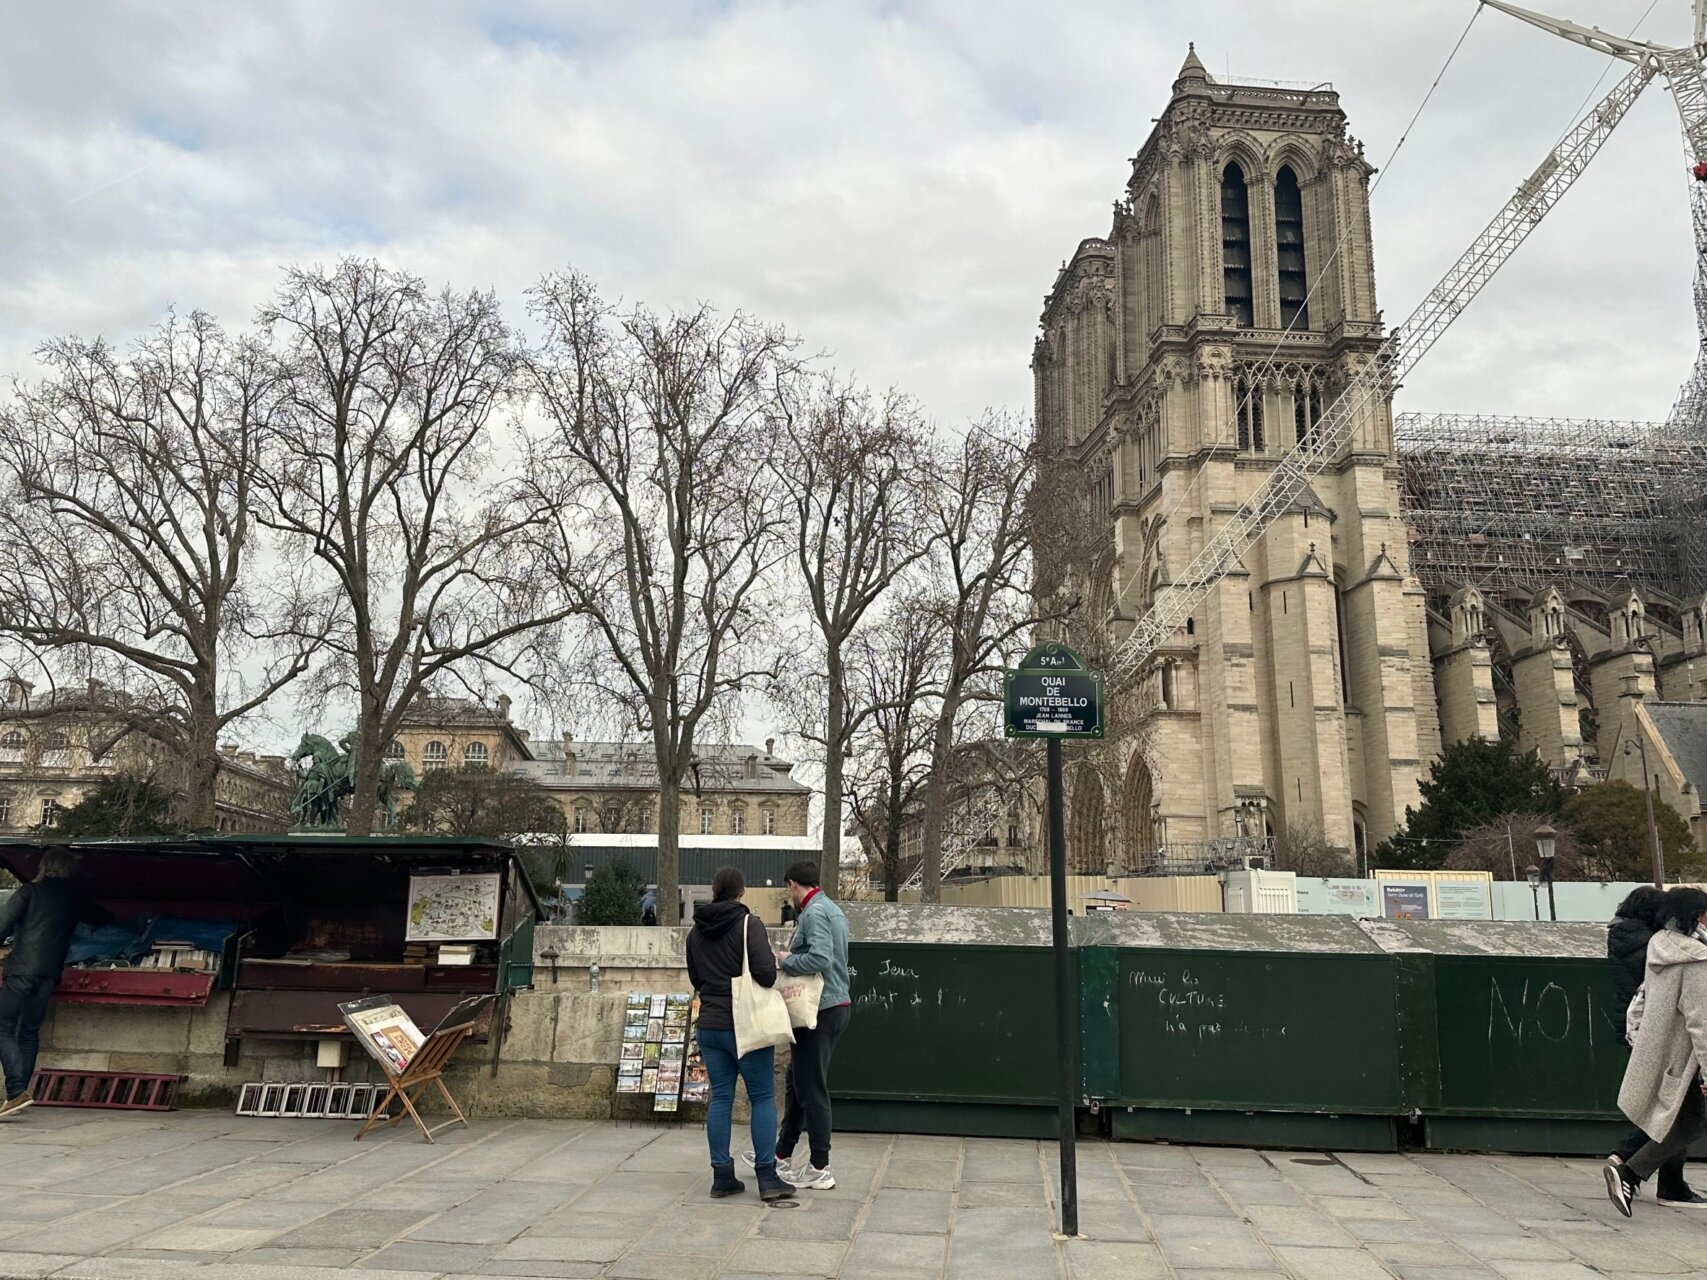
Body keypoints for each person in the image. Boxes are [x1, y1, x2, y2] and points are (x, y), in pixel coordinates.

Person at [684, 867, 792, 1202]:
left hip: (710, 1025)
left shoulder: (696, 932)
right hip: (745, 1023)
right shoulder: (749, 925)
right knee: (761, 1097)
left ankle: (722, 1176)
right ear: (741, 892)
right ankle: (767, 1178)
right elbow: (763, 973)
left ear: (714, 891)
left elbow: (696, 979)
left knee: (720, 1098)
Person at [748, 859, 850, 1191]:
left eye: (788, 888)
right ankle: (781, 1155)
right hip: (833, 1006)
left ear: (793, 884)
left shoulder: (814, 913)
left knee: (812, 1089)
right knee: (798, 1081)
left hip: (818, 1011)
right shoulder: (831, 909)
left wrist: (785, 960)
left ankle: (820, 1166)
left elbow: (821, 958)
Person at [1607, 886, 1707, 1216]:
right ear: (1695, 915)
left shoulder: (1660, 946)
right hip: (1685, 1057)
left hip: (1660, 1050)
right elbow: (1700, 1021)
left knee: (1680, 1120)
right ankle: (1629, 1172)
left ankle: (1628, 1167)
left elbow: (1643, 997)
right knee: (1689, 1123)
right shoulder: (1695, 959)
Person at [0, 850, 95, 1116]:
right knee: (29, 1032)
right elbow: (101, 918)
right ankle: (19, 1096)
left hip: (21, 970)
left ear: (43, 867)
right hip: (50, 973)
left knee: (3, 1026)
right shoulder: (73, 898)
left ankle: (16, 1091)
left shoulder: (29, 892)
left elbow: (2, 927)